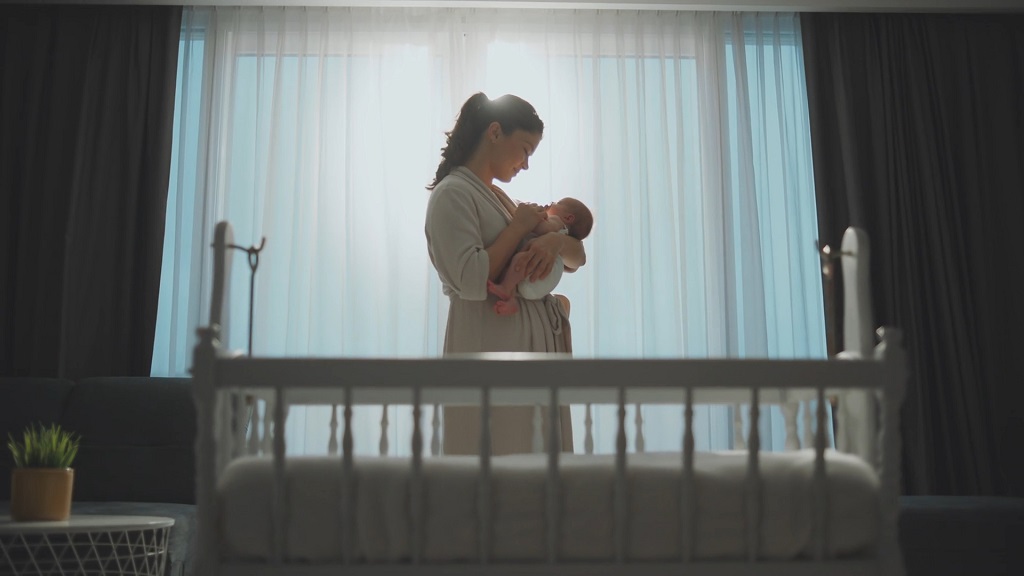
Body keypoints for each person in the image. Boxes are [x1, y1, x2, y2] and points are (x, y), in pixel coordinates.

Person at [424, 92, 586, 455]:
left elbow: (578, 255)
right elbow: (470, 278)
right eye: (525, 149)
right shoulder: (453, 194)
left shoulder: (501, 199)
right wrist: (518, 229)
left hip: (531, 352)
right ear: (495, 132)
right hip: (492, 348)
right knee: (501, 470)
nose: (526, 164)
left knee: (539, 479)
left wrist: (554, 245)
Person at [487, 197, 593, 316]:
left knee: (519, 261)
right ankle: (511, 299)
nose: (551, 203)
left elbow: (543, 229)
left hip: (542, 270)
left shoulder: (557, 222)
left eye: (557, 203)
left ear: (568, 218)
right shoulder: (562, 234)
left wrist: (528, 218)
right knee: (515, 270)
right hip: (541, 283)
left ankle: (506, 289)